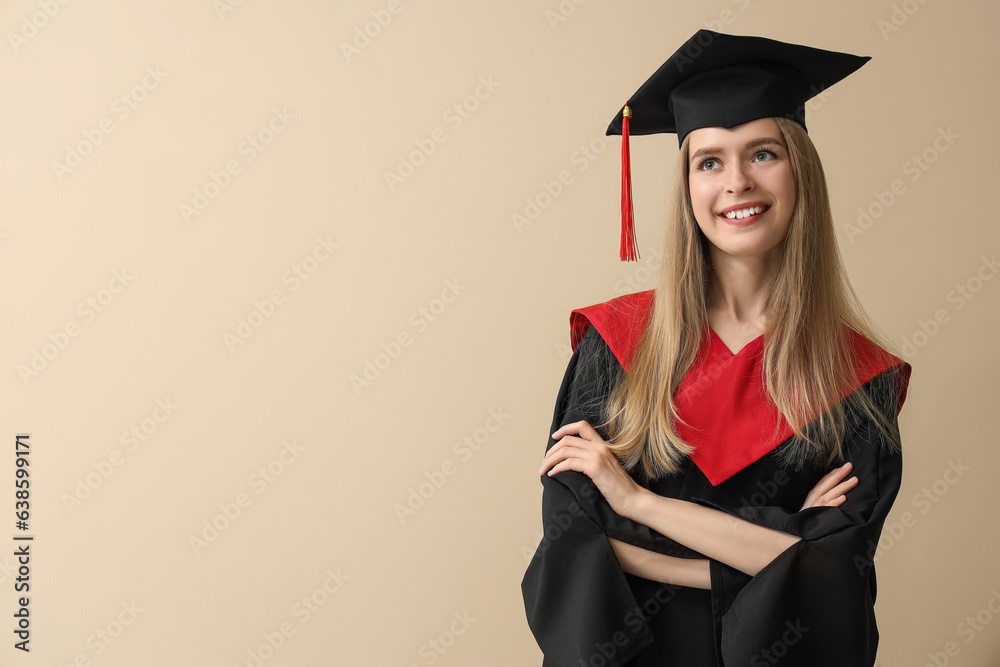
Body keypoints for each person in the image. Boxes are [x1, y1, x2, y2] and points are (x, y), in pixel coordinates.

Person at [521, 31, 913, 667]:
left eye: (763, 153)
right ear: (687, 187)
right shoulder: (617, 347)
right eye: (709, 161)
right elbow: (572, 541)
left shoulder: (857, 380)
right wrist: (778, 546)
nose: (736, 182)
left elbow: (832, 575)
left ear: (800, 171)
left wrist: (637, 503)